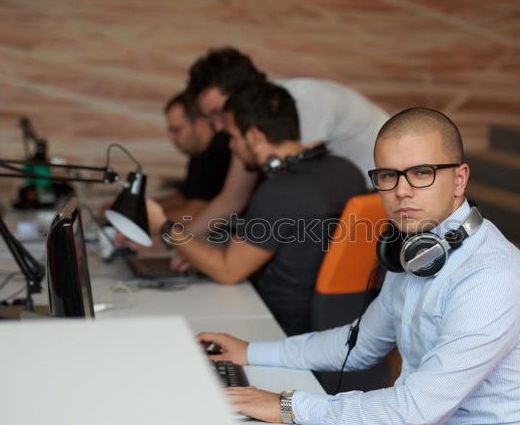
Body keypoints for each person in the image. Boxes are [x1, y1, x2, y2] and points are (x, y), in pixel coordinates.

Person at [197, 107, 520, 425]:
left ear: (459, 179)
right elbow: (358, 344)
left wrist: (287, 405)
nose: (402, 190)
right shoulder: (417, 252)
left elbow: (414, 412)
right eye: (388, 176)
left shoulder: (490, 279)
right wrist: (249, 352)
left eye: (421, 172)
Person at [147, 82, 367, 336]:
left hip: (277, 328)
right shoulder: (345, 170)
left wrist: (163, 225)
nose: (231, 147)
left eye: (232, 137)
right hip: (336, 323)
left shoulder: (281, 191)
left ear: (254, 137)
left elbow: (228, 270)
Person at [177, 47, 388, 241]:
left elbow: (287, 195)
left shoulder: (299, 105)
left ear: (244, 94)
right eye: (210, 118)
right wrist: (179, 244)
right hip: (350, 192)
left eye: (218, 113)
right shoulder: (248, 126)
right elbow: (231, 199)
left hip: (381, 189)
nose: (218, 126)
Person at [157, 91, 231, 221]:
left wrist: (140, 218)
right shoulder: (199, 154)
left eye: (177, 130)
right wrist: (138, 207)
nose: (173, 138)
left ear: (200, 124)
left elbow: (194, 213)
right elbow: (187, 196)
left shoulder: (217, 154)